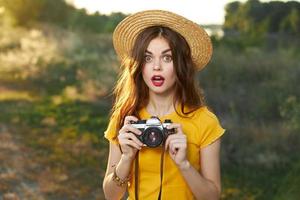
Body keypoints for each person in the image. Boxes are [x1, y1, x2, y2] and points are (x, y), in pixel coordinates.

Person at [102, 10, 225, 200]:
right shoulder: (125, 118)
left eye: (167, 58)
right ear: (139, 65)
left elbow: (212, 197)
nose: (156, 67)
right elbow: (111, 196)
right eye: (147, 58)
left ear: (180, 65)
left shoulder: (205, 122)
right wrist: (126, 158)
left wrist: (184, 164)